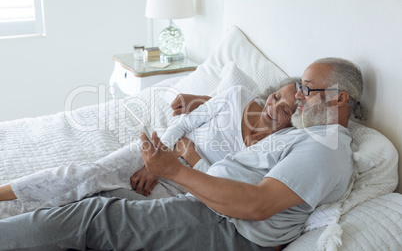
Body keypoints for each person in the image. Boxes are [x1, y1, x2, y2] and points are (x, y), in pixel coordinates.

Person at [0, 57, 364, 250]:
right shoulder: (305, 135)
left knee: (92, 215)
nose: (298, 97)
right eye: (296, 88)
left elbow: (258, 205)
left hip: (229, 228)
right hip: (207, 205)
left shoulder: (325, 148)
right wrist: (205, 106)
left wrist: (173, 169)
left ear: (338, 97)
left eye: (306, 89)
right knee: (102, 193)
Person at [0, 78, 298, 214]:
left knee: (101, 204)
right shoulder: (237, 95)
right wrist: (153, 165)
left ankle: (21, 221)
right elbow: (182, 125)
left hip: (190, 186)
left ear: (294, 122)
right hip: (160, 154)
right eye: (276, 97)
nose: (274, 107)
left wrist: (191, 156)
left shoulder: (272, 149)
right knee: (85, 175)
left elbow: (225, 182)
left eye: (286, 109)